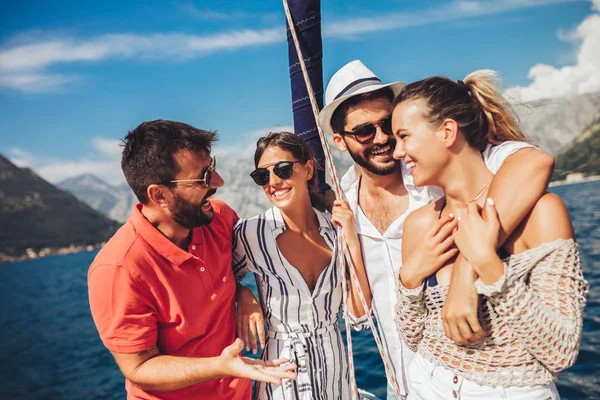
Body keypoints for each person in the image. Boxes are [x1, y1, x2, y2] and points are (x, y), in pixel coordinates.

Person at [314, 60, 555, 399]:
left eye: (388, 125)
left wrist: (466, 270)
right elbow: (358, 315)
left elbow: (532, 162)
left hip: (477, 378)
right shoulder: (342, 208)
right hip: (405, 386)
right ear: (340, 140)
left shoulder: (437, 171)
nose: (383, 139)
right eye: (365, 131)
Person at [393, 71, 588, 399]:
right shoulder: (420, 225)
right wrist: (409, 280)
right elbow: (414, 337)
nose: (397, 152)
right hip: (426, 385)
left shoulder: (540, 214)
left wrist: (487, 266)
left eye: (404, 136)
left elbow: (561, 350)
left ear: (447, 132)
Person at [87, 120, 296, 400]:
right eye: (203, 177)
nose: (219, 182)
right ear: (159, 195)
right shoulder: (118, 269)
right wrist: (220, 367)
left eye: (212, 168)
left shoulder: (219, 218)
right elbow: (139, 367)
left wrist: (242, 293)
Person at [232, 132, 371, 400]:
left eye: (282, 169)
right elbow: (217, 281)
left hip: (336, 374)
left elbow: (358, 316)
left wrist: (351, 240)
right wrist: (243, 295)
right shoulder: (250, 234)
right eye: (263, 176)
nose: (273, 182)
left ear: (307, 169)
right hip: (279, 376)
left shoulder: (336, 231)